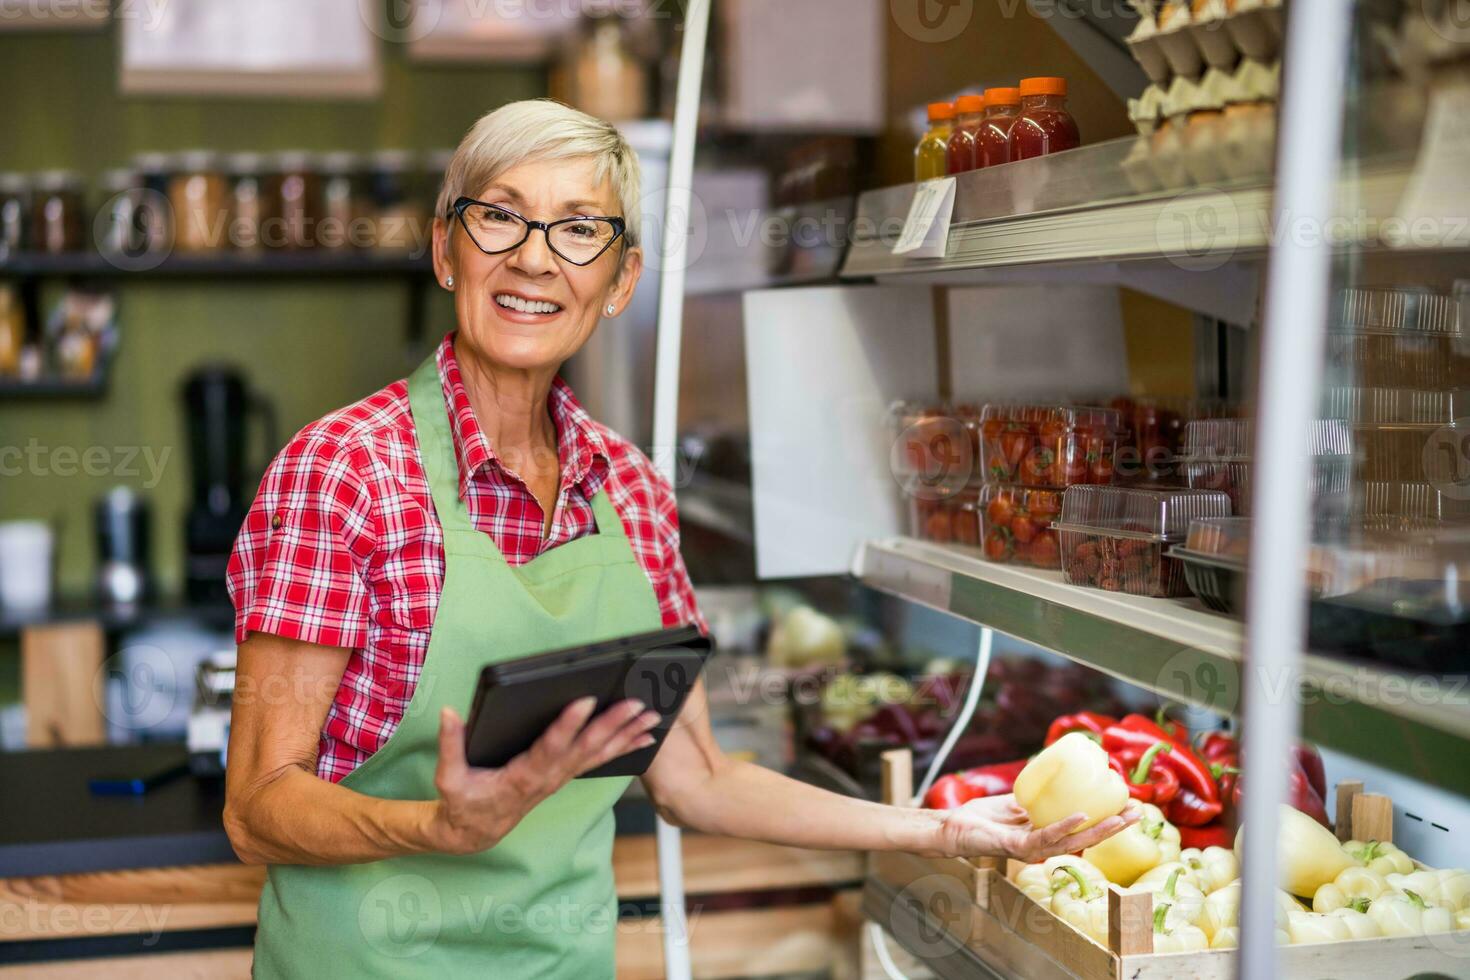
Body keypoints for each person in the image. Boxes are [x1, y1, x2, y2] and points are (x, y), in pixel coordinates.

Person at [223, 99, 1138, 978]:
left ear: (620, 281)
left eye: (579, 230)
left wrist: (943, 830)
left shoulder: (629, 489)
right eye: (500, 216)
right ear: (445, 250)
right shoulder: (345, 472)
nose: (535, 260)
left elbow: (695, 778)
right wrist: (437, 828)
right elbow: (258, 808)